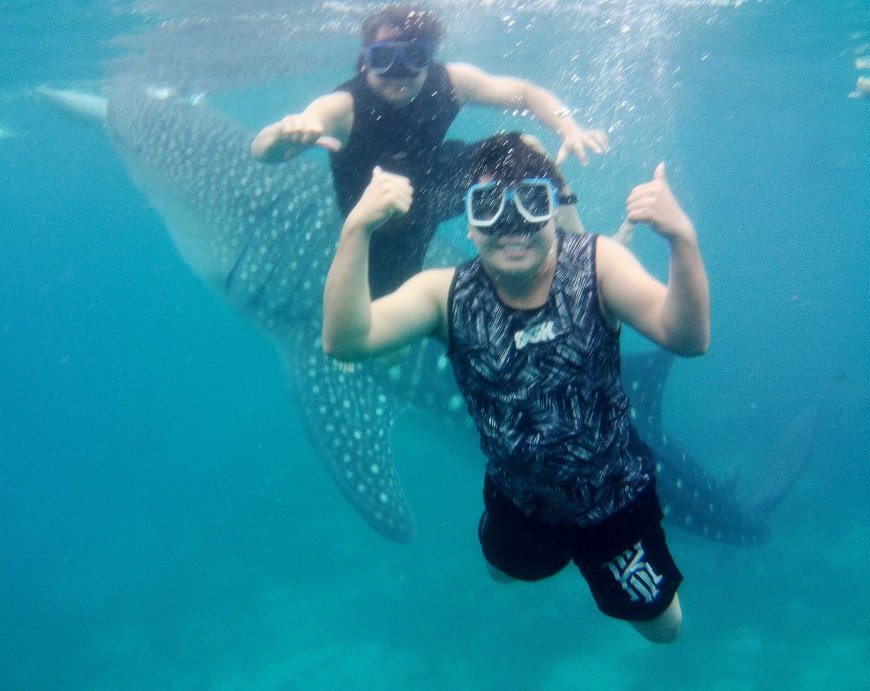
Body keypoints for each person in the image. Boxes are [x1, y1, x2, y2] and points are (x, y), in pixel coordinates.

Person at [321, 133, 710, 642]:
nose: (512, 223)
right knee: (503, 570)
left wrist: (682, 240)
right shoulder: (445, 293)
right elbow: (346, 341)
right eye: (488, 206)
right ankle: (543, 550)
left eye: (532, 201)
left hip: (613, 501)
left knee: (665, 630)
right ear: (467, 218)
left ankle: (600, 558)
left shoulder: (597, 267)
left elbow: (688, 339)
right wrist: (357, 230)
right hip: (519, 499)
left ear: (555, 208)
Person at [252, 4, 608, 297]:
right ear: (364, 61)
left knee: (525, 148)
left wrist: (568, 127)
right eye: (384, 58)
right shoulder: (343, 107)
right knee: (387, 345)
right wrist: (284, 132)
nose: (399, 71)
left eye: (414, 57)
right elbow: (263, 151)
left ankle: (579, 258)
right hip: (387, 226)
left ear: (429, 59)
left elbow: (526, 93)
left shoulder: (450, 82)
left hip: (437, 182)